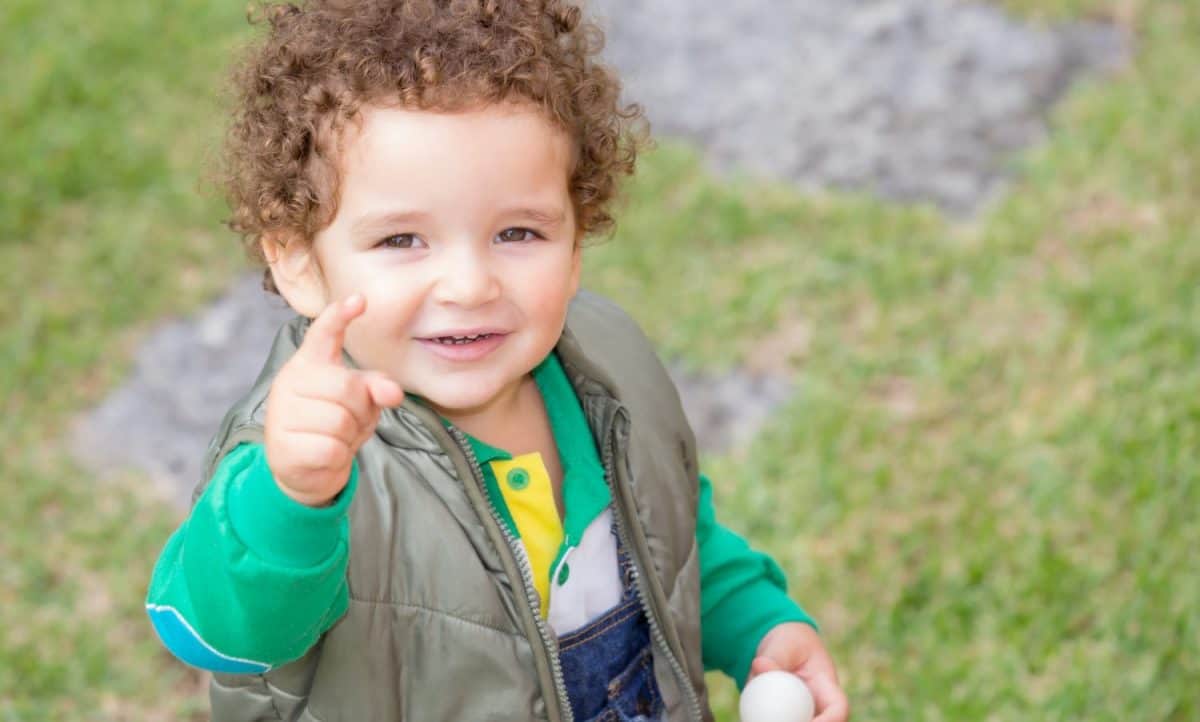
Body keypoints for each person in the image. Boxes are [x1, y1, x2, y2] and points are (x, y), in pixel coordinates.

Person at [145, 1, 849, 720]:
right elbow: (213, 633)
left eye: (517, 232)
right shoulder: (296, 454)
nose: (471, 285)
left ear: (576, 244)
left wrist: (762, 624)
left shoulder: (606, 372)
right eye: (401, 241)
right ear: (298, 261)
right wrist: (291, 497)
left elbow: (671, 541)